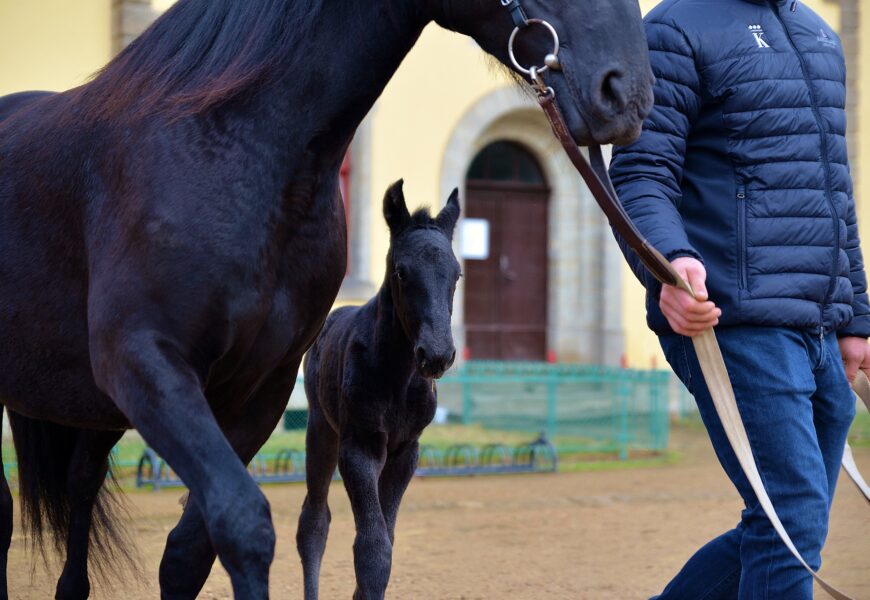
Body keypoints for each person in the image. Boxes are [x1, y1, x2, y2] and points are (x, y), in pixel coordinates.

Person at [608, 1, 870, 598]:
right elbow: (641, 172)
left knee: (783, 524)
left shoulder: (821, 38)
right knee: (791, 517)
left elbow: (835, 193)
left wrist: (856, 318)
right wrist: (667, 267)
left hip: (822, 329)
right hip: (733, 322)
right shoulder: (674, 30)